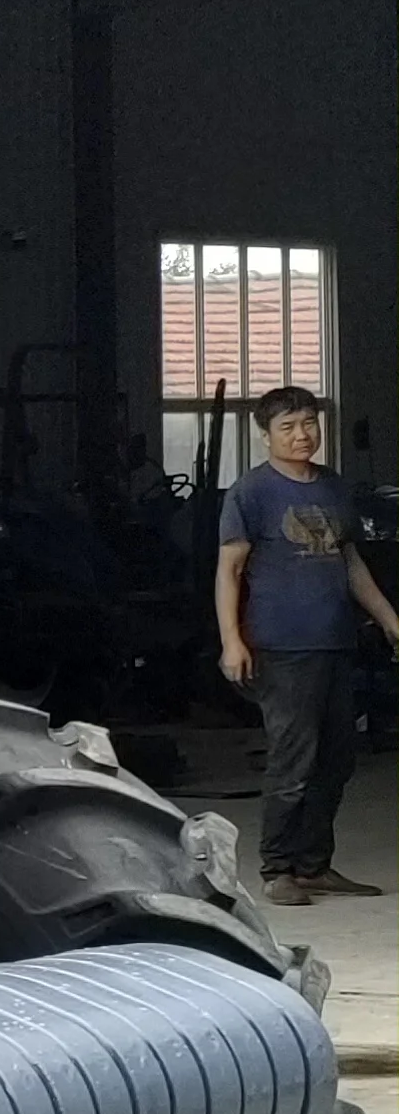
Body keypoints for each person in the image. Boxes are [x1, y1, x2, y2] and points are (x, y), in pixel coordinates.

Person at [214, 385, 399, 905]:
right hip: (282, 646)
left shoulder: (335, 488)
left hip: (336, 641)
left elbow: (350, 563)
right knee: (293, 761)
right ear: (265, 434)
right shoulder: (252, 492)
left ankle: (315, 865)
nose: (302, 435)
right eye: (288, 427)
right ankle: (277, 870)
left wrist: (388, 619)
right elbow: (229, 570)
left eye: (309, 423)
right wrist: (232, 641)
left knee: (338, 759)